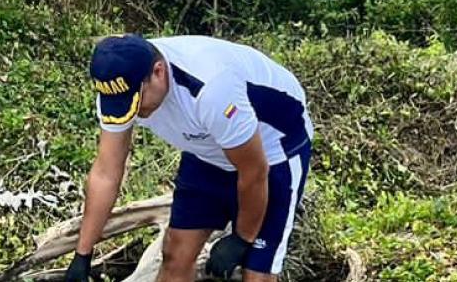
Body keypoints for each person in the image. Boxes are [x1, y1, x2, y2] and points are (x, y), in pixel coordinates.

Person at [66, 35, 313, 282]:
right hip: (208, 151)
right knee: (176, 254)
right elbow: (106, 172)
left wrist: (242, 238)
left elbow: (255, 171)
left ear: (158, 71)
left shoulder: (211, 88)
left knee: (257, 273)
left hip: (275, 151)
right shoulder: (118, 90)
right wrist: (82, 255)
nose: (134, 111)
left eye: (136, 102)